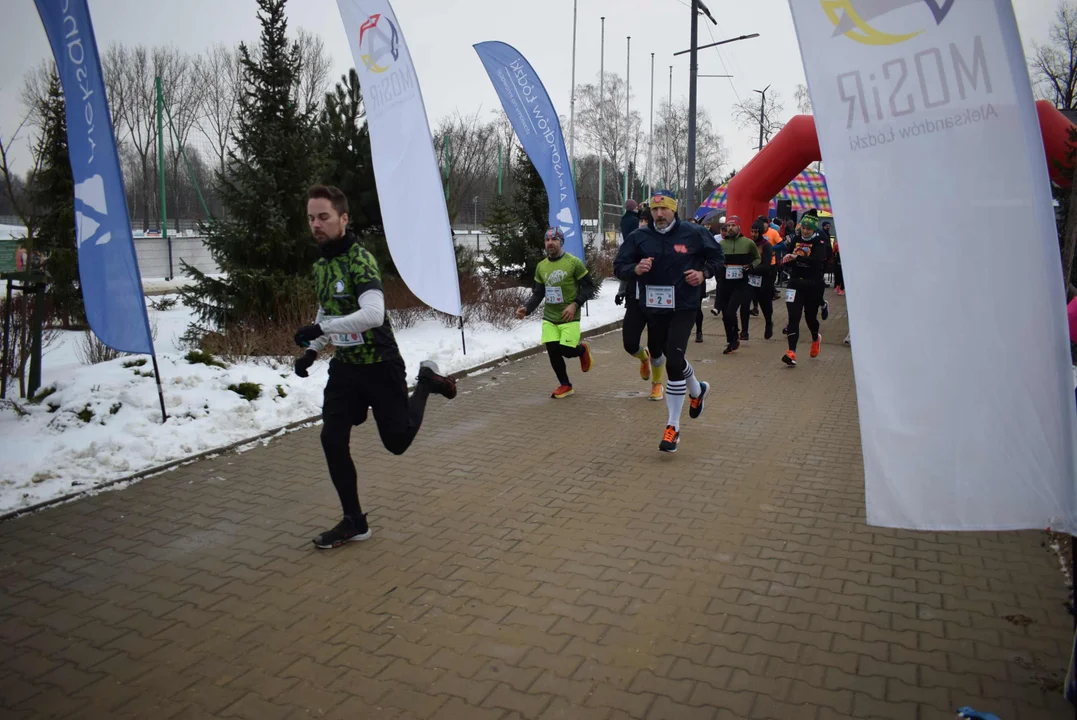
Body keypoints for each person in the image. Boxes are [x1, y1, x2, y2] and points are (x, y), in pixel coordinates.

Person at [294, 185, 458, 549]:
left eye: (324, 217)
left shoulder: (360, 260)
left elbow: (373, 314)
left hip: (380, 364)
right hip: (347, 368)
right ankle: (353, 520)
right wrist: (313, 350)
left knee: (397, 442)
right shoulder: (321, 266)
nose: (316, 225)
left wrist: (321, 329)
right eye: (311, 218)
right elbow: (329, 312)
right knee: (331, 438)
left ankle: (427, 383)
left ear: (343, 218)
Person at [615, 189, 724, 453]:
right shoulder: (639, 237)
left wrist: (703, 272)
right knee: (667, 354)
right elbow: (619, 265)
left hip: (684, 305)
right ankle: (697, 390)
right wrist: (635, 269)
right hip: (654, 307)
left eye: (664, 208)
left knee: (674, 361)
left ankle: (672, 426)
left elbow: (718, 259)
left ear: (674, 209)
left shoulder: (693, 233)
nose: (659, 214)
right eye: (654, 209)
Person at [516, 227, 597, 398]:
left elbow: (589, 287)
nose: (550, 243)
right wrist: (527, 308)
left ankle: (582, 350)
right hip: (550, 318)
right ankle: (565, 385)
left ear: (561, 242)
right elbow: (539, 293)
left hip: (570, 316)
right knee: (553, 351)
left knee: (566, 350)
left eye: (554, 239)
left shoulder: (573, 263)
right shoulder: (541, 266)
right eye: (547, 240)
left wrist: (575, 304)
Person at [616, 205, 665, 401]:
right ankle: (642, 358)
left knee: (657, 346)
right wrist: (632, 273)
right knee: (629, 343)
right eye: (642, 220)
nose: (644, 224)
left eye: (647, 220)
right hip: (636, 300)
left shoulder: (664, 242)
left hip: (658, 301)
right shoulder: (634, 240)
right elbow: (621, 266)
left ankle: (657, 383)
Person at [779, 214, 828, 367]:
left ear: (813, 229)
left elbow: (817, 262)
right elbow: (789, 254)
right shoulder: (796, 238)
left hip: (813, 283)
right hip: (795, 283)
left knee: (810, 317)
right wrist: (787, 260)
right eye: (803, 228)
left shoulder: (820, 240)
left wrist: (797, 258)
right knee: (793, 316)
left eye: (808, 229)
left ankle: (815, 338)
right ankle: (791, 352)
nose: (805, 231)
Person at [715, 215, 761, 353]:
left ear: (739, 227)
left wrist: (751, 266)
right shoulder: (721, 244)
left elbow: (757, 258)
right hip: (725, 283)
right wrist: (719, 265)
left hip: (740, 284)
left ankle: (735, 337)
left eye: (733, 225)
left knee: (730, 311)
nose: (730, 228)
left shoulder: (748, 243)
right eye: (728, 226)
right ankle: (732, 340)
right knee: (725, 315)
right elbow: (715, 259)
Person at [748, 219, 776, 340]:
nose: (753, 234)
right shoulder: (749, 243)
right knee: (745, 302)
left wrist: (750, 269)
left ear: (760, 232)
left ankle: (769, 323)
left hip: (765, 279)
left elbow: (766, 265)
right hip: (750, 279)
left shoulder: (766, 245)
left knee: (765, 304)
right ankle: (744, 330)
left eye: (756, 232)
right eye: (752, 231)